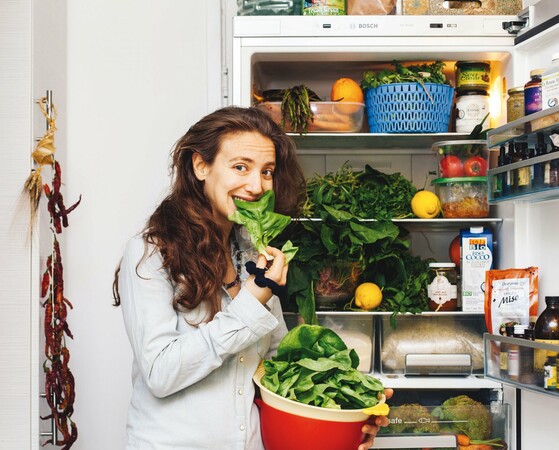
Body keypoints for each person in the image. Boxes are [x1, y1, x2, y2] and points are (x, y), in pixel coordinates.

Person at [113, 106, 389, 450]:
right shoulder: (150, 253)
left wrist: (348, 410)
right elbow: (160, 372)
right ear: (201, 166)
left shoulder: (251, 254)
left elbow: (278, 366)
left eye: (267, 171)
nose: (257, 186)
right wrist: (251, 300)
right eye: (240, 167)